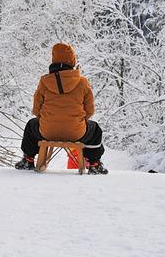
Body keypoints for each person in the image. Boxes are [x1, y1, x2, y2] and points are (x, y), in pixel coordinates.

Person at [15, 43, 108, 175]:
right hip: (77, 132)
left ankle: (28, 159)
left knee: (31, 124)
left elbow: (36, 110)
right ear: (72, 60)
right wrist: (79, 121)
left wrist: (48, 121)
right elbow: (90, 110)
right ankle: (94, 163)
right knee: (95, 129)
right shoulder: (82, 82)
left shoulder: (44, 81)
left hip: (47, 131)